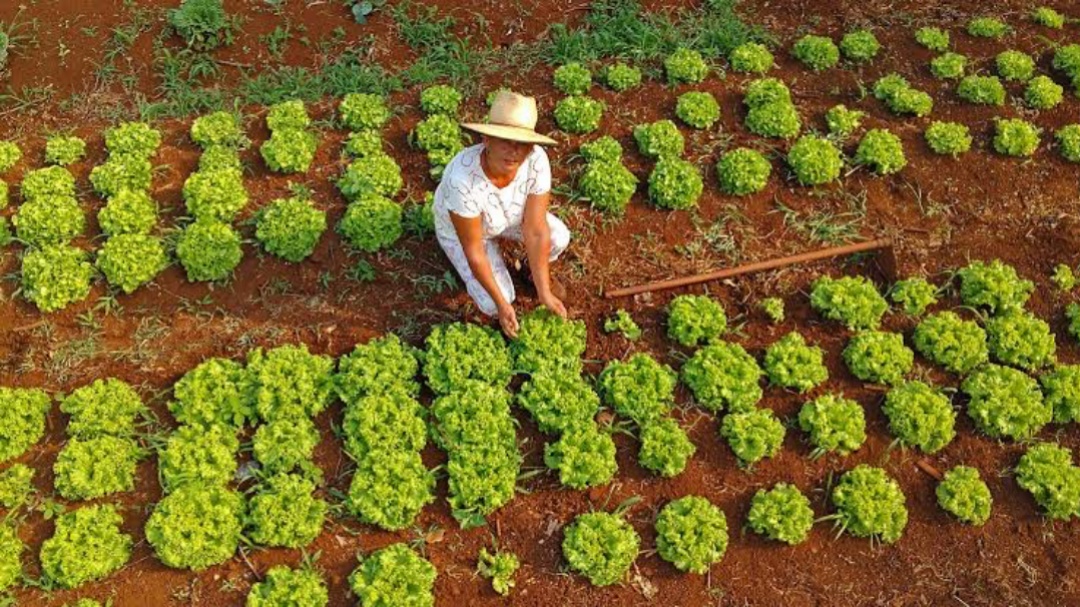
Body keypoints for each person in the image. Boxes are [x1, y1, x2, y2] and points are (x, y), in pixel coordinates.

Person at [433, 91, 570, 338]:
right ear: (486, 139)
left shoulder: (536, 160)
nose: (515, 151)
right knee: (493, 302)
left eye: (523, 143)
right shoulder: (461, 180)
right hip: (466, 233)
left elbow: (536, 229)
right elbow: (474, 250)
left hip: (507, 219)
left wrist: (544, 291)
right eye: (505, 140)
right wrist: (503, 306)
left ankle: (531, 271)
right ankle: (495, 279)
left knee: (559, 236)